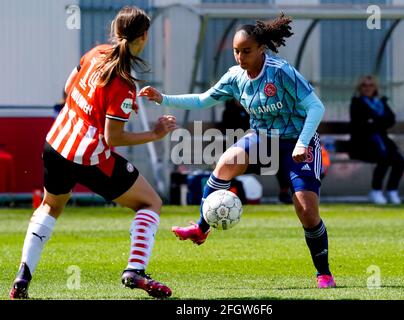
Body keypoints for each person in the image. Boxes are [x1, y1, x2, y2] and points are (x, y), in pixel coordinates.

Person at [139, 13, 336, 288]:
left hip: (296, 141)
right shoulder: (235, 77)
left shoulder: (281, 72)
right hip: (262, 138)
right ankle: (201, 228)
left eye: (246, 51)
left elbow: (316, 107)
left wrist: (303, 143)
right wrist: (164, 98)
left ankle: (324, 273)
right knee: (226, 162)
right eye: (236, 51)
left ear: (261, 49)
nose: (240, 57)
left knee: (306, 211)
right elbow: (202, 99)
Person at [10, 6, 176, 299]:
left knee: (50, 207)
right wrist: (156, 133)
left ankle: (23, 276)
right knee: (150, 203)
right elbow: (113, 138)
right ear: (144, 37)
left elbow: (67, 89)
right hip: (89, 158)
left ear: (115, 31)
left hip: (55, 144)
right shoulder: (124, 83)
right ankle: (135, 269)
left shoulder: (95, 53)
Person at [349, 75, 404, 205]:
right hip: (364, 143)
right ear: (360, 88)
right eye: (364, 85)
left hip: (383, 141)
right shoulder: (356, 102)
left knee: (400, 161)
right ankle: (376, 191)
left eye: (371, 85)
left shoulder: (381, 102)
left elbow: (391, 119)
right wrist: (379, 122)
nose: (367, 88)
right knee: (383, 158)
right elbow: (361, 124)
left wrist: (375, 121)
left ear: (375, 87)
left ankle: (392, 190)